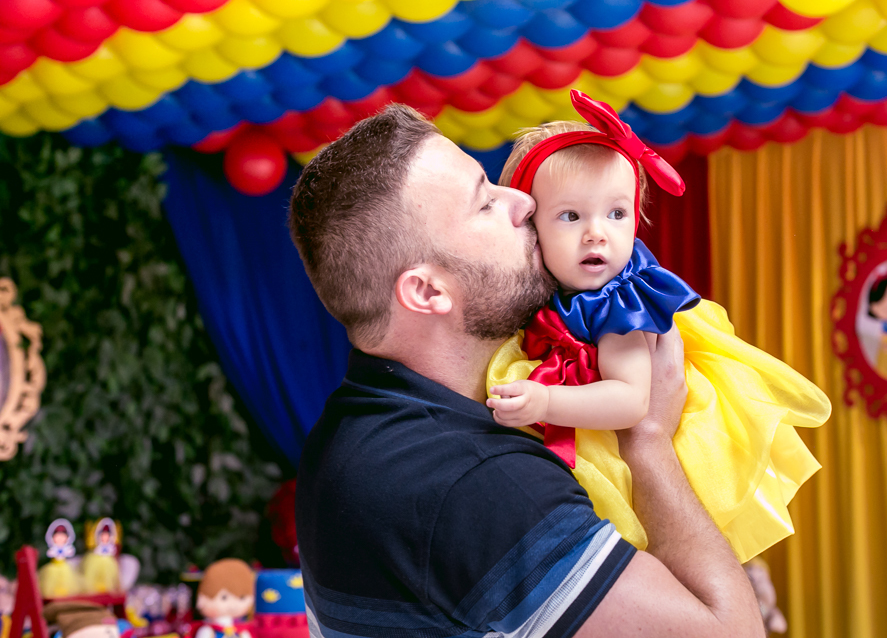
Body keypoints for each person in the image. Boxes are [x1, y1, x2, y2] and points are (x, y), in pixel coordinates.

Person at [289, 105, 765, 638]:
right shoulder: (475, 484)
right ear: (428, 292)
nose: (523, 201)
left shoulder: (354, 425)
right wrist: (648, 438)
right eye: (485, 202)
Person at [485, 89, 831, 562]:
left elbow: (631, 401)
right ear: (531, 227)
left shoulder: (618, 303)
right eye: (570, 216)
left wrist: (545, 399)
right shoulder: (562, 294)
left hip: (637, 441)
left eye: (617, 213)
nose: (597, 232)